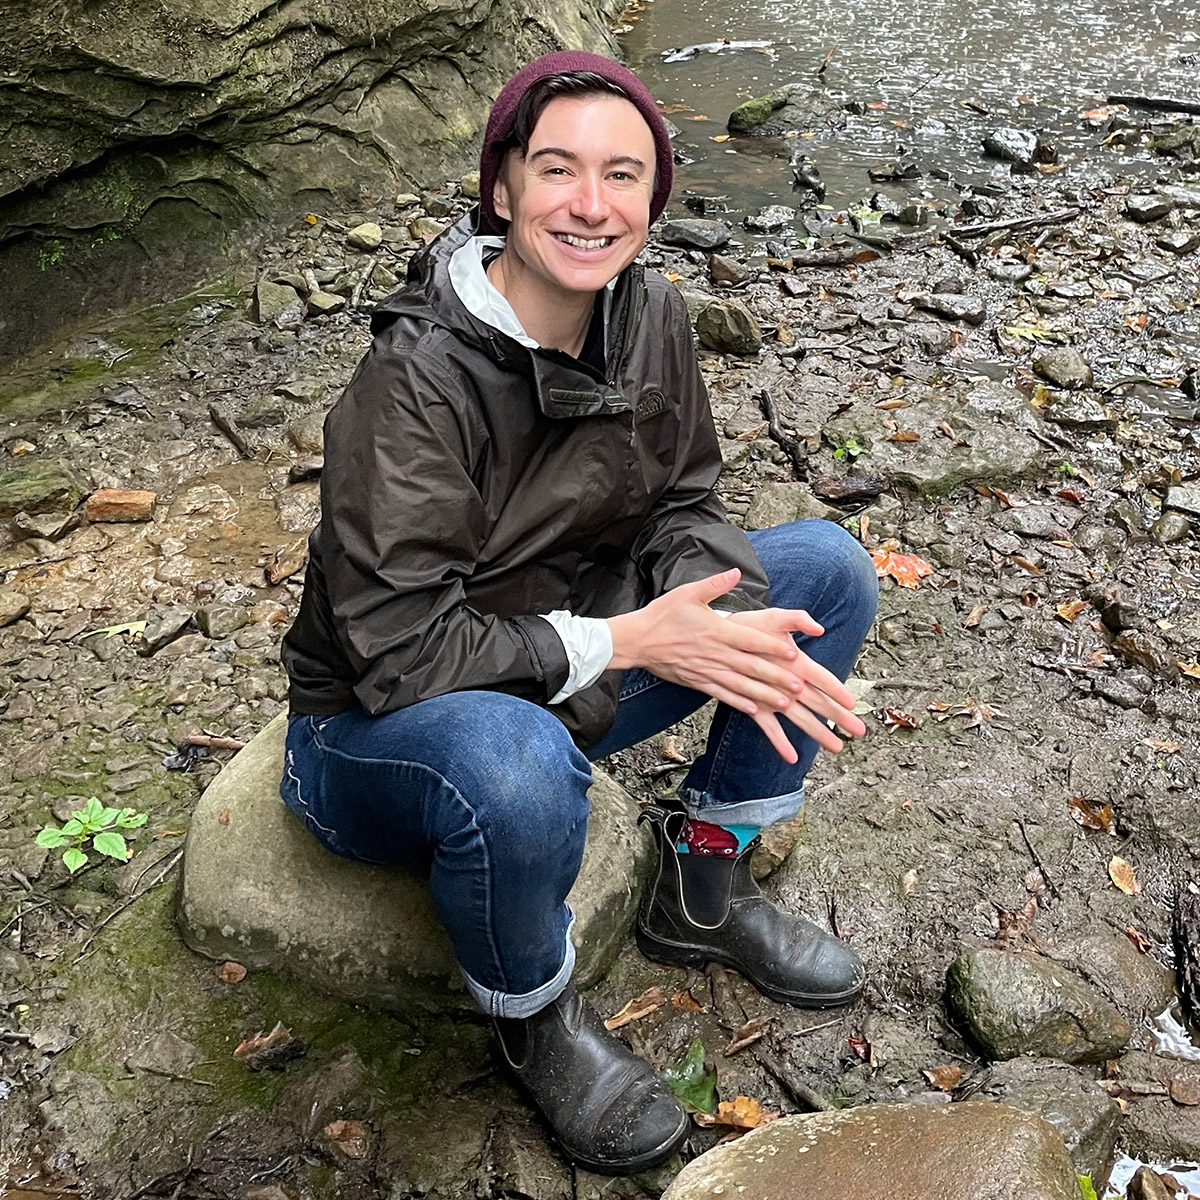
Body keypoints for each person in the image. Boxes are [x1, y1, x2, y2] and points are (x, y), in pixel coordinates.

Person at [279, 50, 878, 1175]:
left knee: (826, 574)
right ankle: (535, 1018)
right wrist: (630, 641)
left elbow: (689, 497)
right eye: (558, 169)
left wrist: (727, 625)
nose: (591, 205)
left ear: (655, 202)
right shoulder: (412, 384)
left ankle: (705, 876)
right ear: (502, 188)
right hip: (378, 730)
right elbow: (396, 649)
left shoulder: (649, 317)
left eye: (623, 175)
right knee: (508, 761)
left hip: (556, 664)